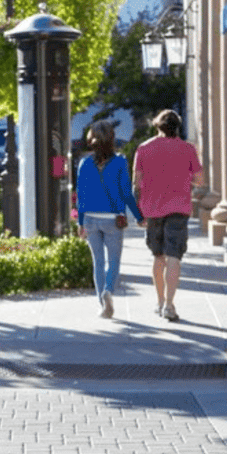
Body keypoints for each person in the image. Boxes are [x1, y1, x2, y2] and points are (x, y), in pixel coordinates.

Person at [133, 109, 203, 322]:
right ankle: (170, 306)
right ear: (177, 126)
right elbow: (200, 181)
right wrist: (184, 177)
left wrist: (138, 213)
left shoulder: (144, 149)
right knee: (174, 257)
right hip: (179, 209)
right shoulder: (188, 149)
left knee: (158, 257)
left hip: (152, 209)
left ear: (157, 126)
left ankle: (160, 300)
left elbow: (136, 183)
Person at [76, 120, 144, 318]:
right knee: (114, 261)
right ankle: (108, 291)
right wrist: (139, 216)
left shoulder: (84, 164)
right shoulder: (121, 161)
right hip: (113, 219)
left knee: (98, 262)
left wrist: (80, 223)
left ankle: (102, 304)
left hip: (90, 218)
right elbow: (126, 194)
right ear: (112, 139)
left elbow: (82, 196)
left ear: (91, 140)